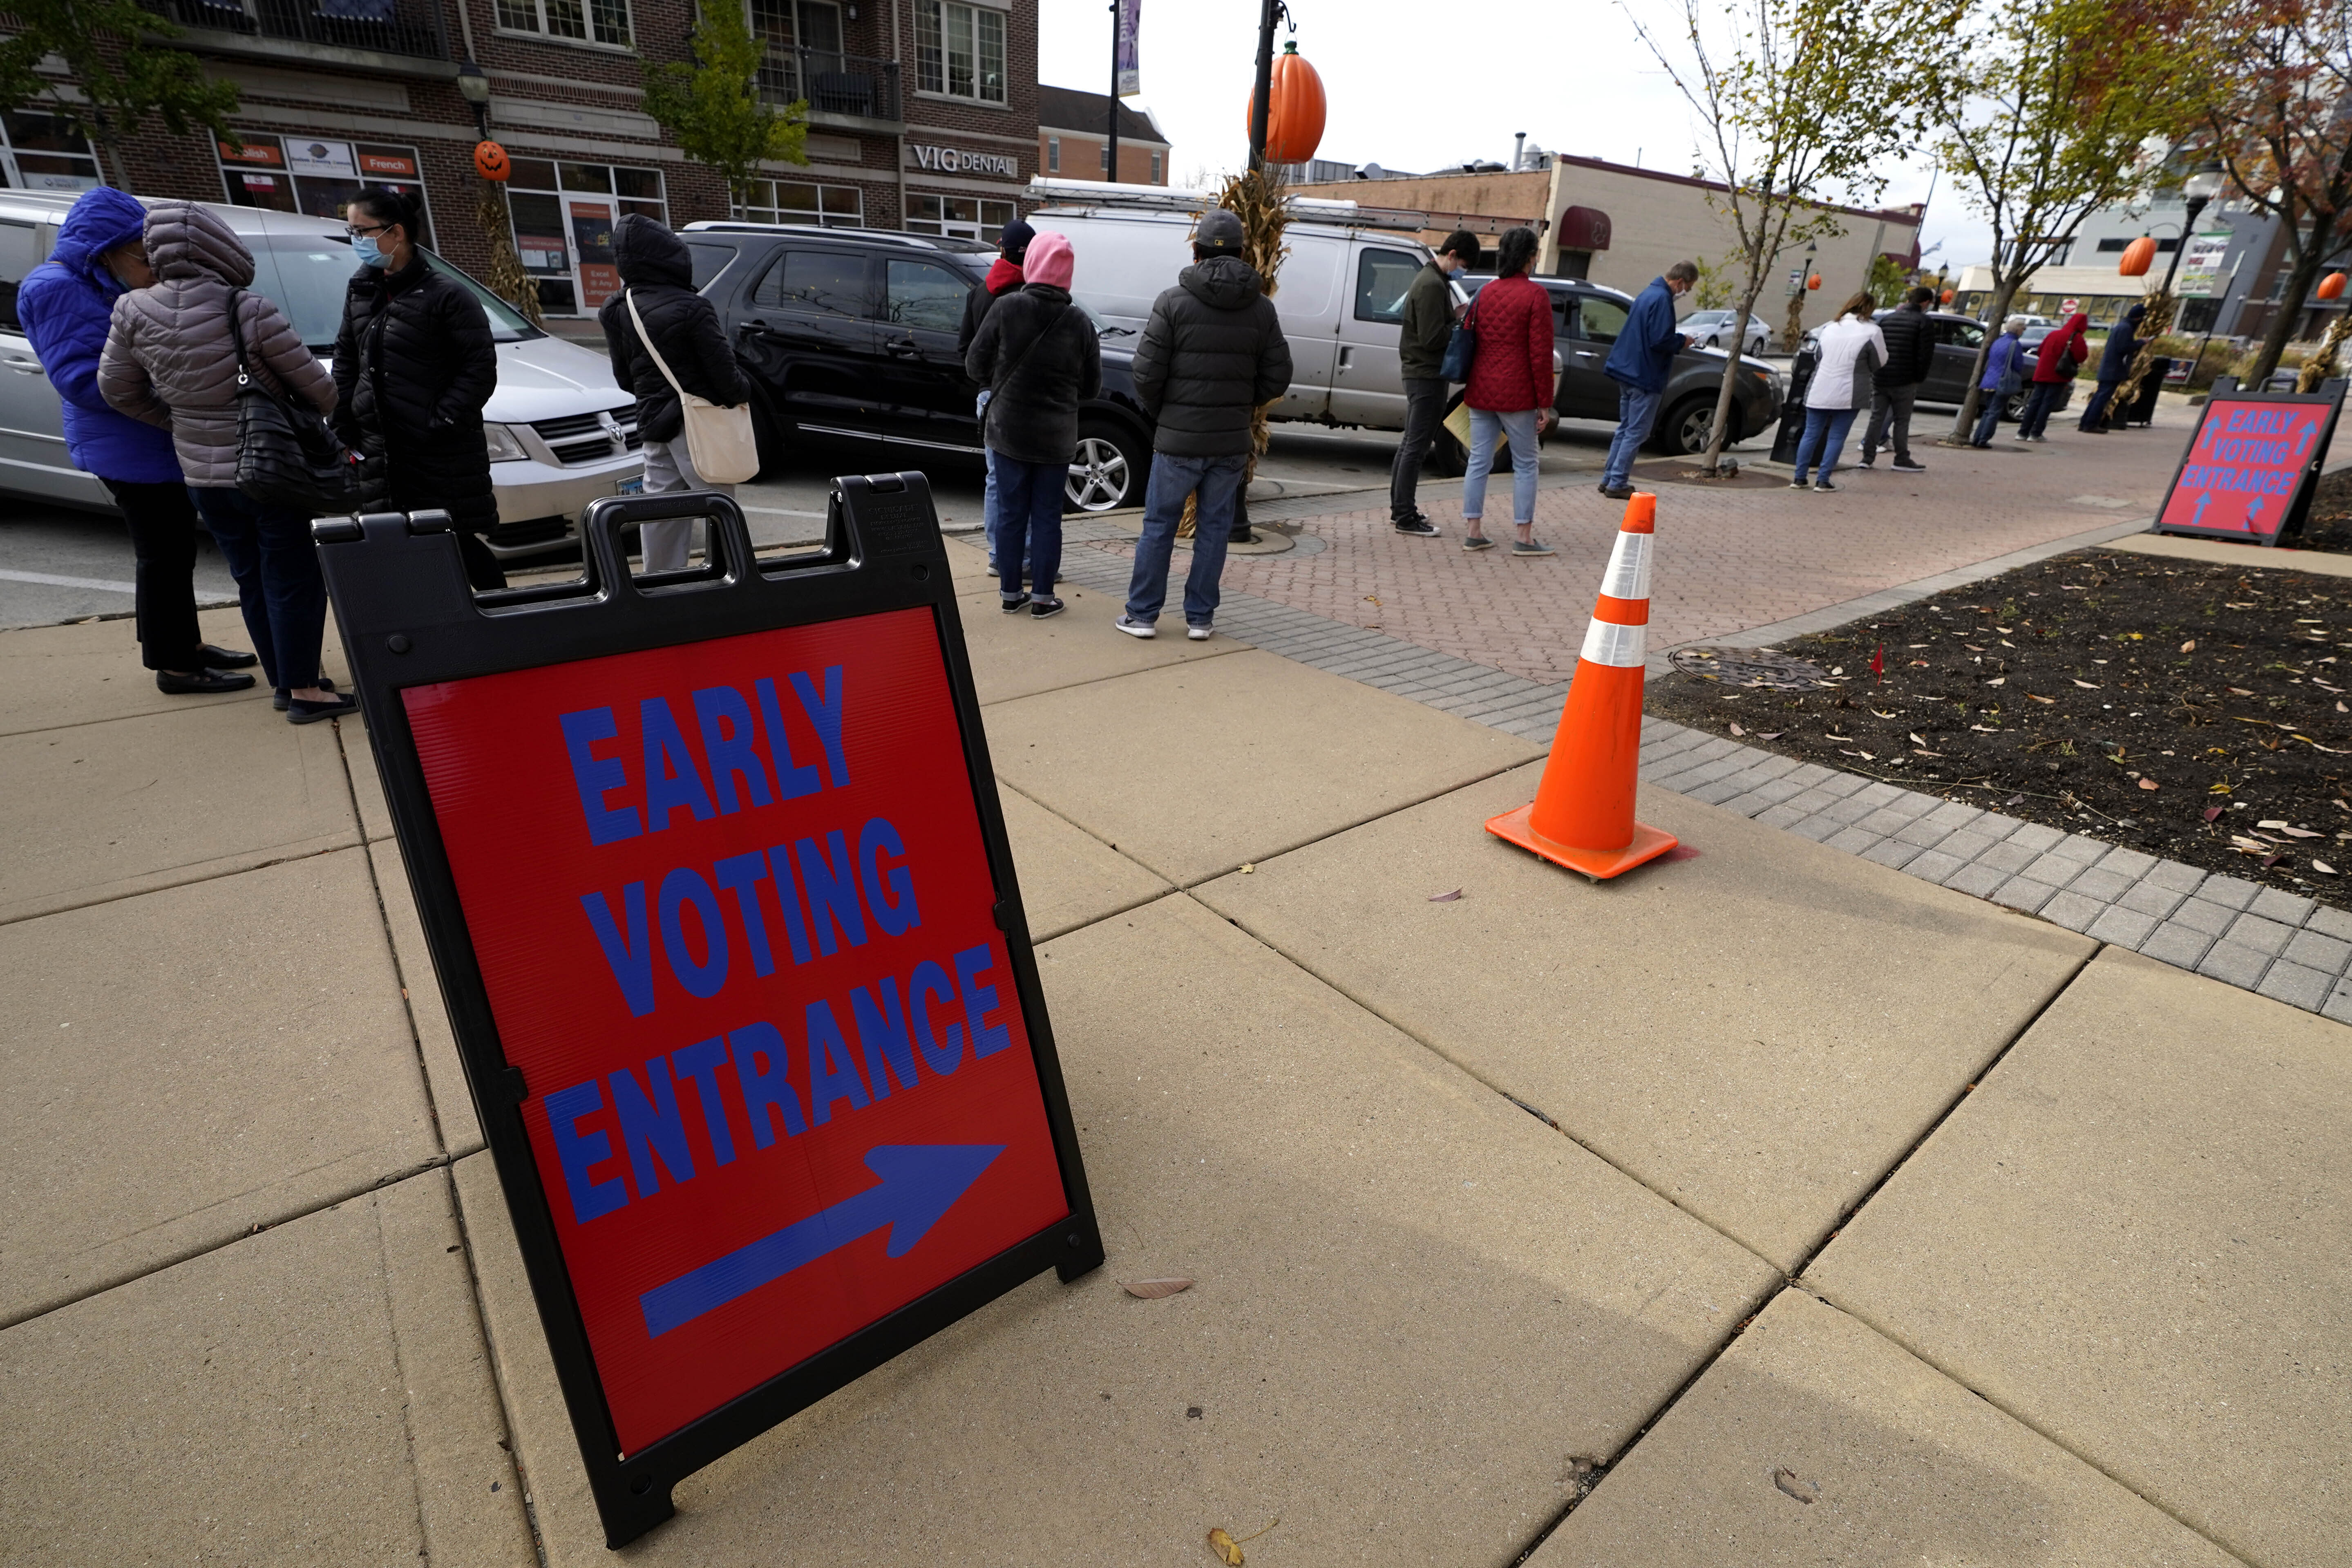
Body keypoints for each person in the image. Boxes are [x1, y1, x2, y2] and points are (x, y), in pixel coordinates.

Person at [99, 202, 353, 723]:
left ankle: (287, 681)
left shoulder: (132, 310)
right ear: (218, 246)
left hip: (201, 475)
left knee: (251, 579)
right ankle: (306, 690)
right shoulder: (247, 309)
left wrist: (181, 422)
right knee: (293, 579)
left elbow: (117, 391)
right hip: (272, 470)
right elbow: (323, 392)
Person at [16, 187, 256, 695]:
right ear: (107, 249)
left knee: (173, 551)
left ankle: (182, 645)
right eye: (144, 256)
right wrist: (181, 388)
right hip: (127, 444)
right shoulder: (55, 288)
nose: (154, 266)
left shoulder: (99, 280)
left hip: (148, 437)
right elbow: (83, 379)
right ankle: (175, 667)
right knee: (163, 554)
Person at [1115, 208, 1291, 641]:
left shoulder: (1172, 302)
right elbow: (1277, 376)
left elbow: (1145, 373)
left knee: (1158, 526)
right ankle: (1200, 618)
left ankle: (1142, 616)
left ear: (1195, 252)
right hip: (1229, 440)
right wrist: (1243, 402)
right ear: (1241, 253)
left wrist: (1164, 411)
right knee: (1214, 530)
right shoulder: (1261, 309)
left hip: (1177, 439)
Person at [333, 186, 503, 590]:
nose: (355, 241)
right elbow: (346, 358)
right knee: (398, 551)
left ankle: (505, 632)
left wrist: (439, 421)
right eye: (351, 231)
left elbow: (478, 368)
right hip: (378, 452)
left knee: (458, 547)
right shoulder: (362, 289)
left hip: (437, 453)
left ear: (396, 233)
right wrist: (342, 420)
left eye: (362, 231)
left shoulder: (447, 296)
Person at [600, 212, 752, 573]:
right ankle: (731, 579)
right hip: (700, 426)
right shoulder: (693, 307)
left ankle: (661, 591)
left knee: (661, 516)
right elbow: (726, 379)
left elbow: (626, 380)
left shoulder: (617, 309)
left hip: (653, 424)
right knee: (719, 511)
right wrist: (744, 393)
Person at [966, 232, 1098, 620]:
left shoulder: (1007, 308)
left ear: (1033, 264)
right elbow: (1092, 387)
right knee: (1046, 518)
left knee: (1010, 513)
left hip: (1008, 432)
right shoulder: (1080, 323)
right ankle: (1042, 597)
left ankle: (1010, 593)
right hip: (1055, 439)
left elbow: (975, 365)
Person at [1456, 227, 1556, 556]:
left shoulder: (1485, 292)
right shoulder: (1536, 296)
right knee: (1526, 463)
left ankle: (1474, 531)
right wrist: (1545, 402)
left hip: (1481, 389)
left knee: (1479, 459)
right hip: (1518, 394)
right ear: (1530, 256)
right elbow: (1540, 355)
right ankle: (1524, 537)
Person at [1391, 229, 1480, 537]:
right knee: (1416, 446)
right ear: (1452, 254)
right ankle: (1405, 515)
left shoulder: (1432, 280)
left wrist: (1451, 317)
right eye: (1462, 264)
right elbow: (1432, 338)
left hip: (1421, 372)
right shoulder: (1432, 285)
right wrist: (1457, 323)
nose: (1461, 271)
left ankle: (1400, 508)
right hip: (1426, 374)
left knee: (1409, 444)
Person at [961, 217, 1033, 580]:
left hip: (988, 394)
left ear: (1002, 250)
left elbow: (965, 349)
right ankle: (1029, 558)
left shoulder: (980, 292)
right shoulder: (1032, 295)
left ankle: (997, 554)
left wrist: (985, 381)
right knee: (1031, 477)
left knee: (997, 479)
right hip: (1024, 394)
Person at [1599, 259, 1697, 499]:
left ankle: (1610, 478)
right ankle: (1617, 482)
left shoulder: (1648, 294)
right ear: (1681, 282)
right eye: (1689, 287)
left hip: (1628, 370)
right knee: (1636, 432)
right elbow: (1659, 340)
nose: (1688, 292)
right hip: (1645, 375)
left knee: (1625, 429)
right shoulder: (1663, 300)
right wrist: (1682, 341)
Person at [1789, 292, 1885, 492]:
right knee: (1837, 437)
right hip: (1849, 393)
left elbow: (1818, 356)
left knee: (1810, 434)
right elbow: (1880, 362)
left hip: (1820, 388)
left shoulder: (1830, 328)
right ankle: (1823, 480)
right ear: (1869, 309)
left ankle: (1799, 478)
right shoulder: (1872, 331)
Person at [1859, 285, 1935, 472]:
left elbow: (1877, 348)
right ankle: (1901, 458)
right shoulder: (1924, 322)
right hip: (1905, 378)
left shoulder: (1887, 319)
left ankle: (1867, 458)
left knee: (1876, 418)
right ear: (1925, 302)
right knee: (1902, 420)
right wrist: (1919, 377)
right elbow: (1924, 355)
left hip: (1882, 376)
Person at [2016, 312, 2088, 442]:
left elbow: (2041, 350)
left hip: (2042, 373)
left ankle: (2023, 432)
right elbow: (2081, 356)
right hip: (2058, 375)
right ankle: (2036, 433)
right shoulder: (2076, 338)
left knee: (2034, 402)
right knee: (2047, 404)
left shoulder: (2053, 334)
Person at [2077, 303, 2146, 432]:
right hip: (2114, 369)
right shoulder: (2126, 329)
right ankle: (2091, 424)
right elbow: (2124, 348)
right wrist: (2140, 343)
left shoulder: (2121, 327)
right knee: (2103, 397)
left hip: (2109, 368)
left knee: (2099, 396)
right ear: (2138, 318)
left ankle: (2085, 423)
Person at [1970, 317, 2030, 447]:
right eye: (2023, 329)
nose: (2023, 332)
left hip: (1989, 379)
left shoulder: (1998, 342)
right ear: (2018, 330)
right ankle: (1983, 439)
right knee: (1995, 411)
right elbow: (2018, 365)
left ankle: (1977, 437)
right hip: (2002, 381)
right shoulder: (2015, 345)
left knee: (1988, 410)